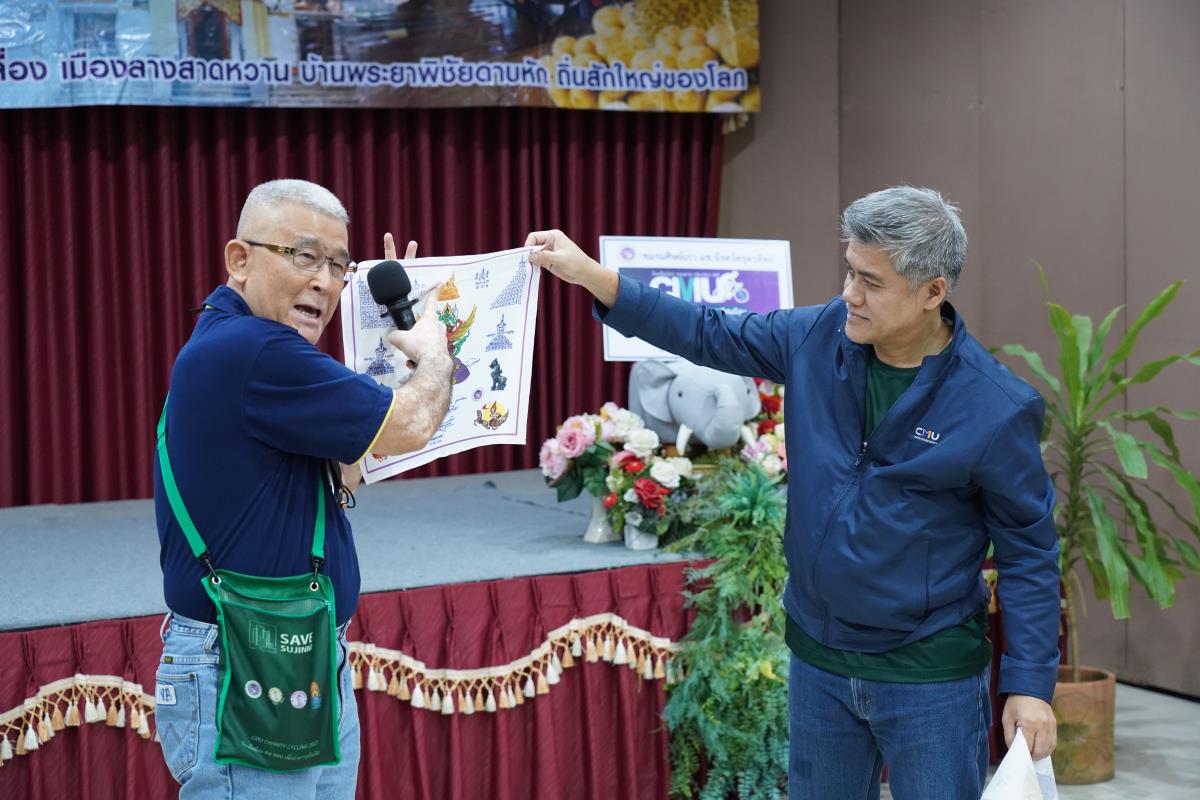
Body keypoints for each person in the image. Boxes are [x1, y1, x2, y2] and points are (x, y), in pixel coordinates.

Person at [526, 186, 1060, 800]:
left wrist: (1029, 685)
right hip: (819, 662)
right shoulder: (818, 337)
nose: (849, 294)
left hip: (928, 675)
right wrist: (593, 277)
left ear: (932, 292)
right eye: (849, 271)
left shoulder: (995, 407)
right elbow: (706, 331)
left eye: (872, 282)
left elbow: (1029, 552)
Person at [153, 179, 451, 798]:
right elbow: (414, 423)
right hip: (244, 654)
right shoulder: (254, 349)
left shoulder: (249, 349)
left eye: (339, 266)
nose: (325, 281)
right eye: (304, 256)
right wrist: (436, 349)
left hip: (301, 648)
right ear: (240, 259)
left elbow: (349, 468)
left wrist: (388, 345)